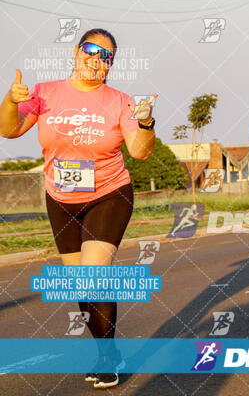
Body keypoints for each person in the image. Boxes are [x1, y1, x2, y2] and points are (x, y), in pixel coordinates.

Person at [0, 28, 157, 389]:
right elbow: (9, 130)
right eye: (91, 50)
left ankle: (105, 359)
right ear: (76, 52)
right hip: (60, 198)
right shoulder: (44, 93)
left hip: (109, 193)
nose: (97, 59)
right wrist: (9, 101)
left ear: (111, 65)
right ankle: (109, 351)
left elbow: (139, 151)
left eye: (107, 56)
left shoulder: (120, 101)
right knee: (80, 286)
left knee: (93, 275)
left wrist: (146, 123)